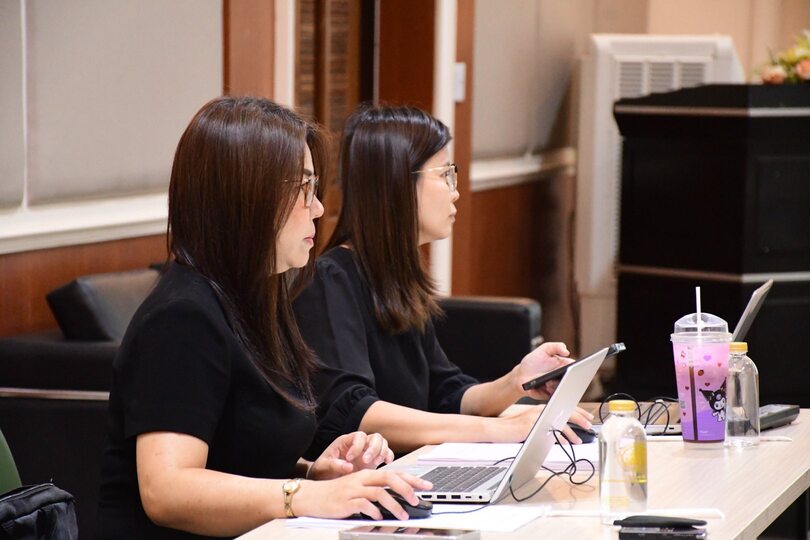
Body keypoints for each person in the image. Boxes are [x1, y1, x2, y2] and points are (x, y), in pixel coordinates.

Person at [97, 97, 430, 539]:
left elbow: (236, 457)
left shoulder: (256, 300)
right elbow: (168, 490)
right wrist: (302, 496)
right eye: (304, 188)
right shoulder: (182, 317)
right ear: (247, 197)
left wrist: (314, 473)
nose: (318, 208)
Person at [293, 104, 593, 456]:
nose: (455, 191)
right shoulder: (330, 280)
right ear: (398, 183)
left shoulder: (396, 277)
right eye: (444, 174)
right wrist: (499, 429)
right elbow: (356, 412)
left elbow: (448, 394)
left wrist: (518, 380)